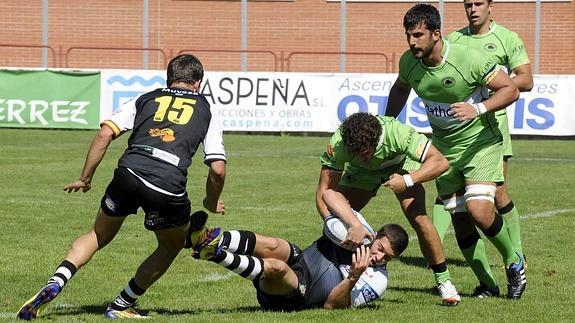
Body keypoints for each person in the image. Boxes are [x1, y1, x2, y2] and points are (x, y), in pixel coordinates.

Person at [17, 54, 227, 320]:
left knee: (97, 235)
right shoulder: (206, 107)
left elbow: (105, 133)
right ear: (198, 83)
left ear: (168, 78)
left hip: (128, 171)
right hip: (166, 182)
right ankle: (121, 304)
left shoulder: (146, 97)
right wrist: (210, 201)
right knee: (170, 245)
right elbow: (217, 169)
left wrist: (85, 178)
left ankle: (55, 282)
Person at [384, 4, 526, 299]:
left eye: (418, 35)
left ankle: (514, 262)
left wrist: (477, 108)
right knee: (460, 218)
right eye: (408, 36)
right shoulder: (409, 62)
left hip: (480, 144)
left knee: (479, 210)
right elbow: (400, 89)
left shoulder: (468, 58)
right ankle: (487, 283)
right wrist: (387, 121)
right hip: (444, 147)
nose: (412, 42)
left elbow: (510, 89)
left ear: (436, 34)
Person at [429, 0, 533, 298]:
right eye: (467, 4)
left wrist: (491, 86)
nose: (472, 9)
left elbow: (525, 80)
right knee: (457, 205)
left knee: (495, 196)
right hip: (457, 132)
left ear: (491, 6)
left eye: (478, 3)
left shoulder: (507, 38)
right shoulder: (455, 40)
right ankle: (489, 279)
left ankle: (516, 257)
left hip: (492, 127)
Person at [315, 112, 461, 306]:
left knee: (417, 215)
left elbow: (440, 162)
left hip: (401, 166)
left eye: (365, 153)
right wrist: (335, 225)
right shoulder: (340, 143)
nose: (360, 156)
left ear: (376, 141)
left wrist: (408, 180)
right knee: (336, 214)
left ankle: (444, 282)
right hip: (362, 173)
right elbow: (324, 193)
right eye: (355, 153)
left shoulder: (397, 133)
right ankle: (325, 270)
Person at [189, 189, 409, 310]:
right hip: (302, 260)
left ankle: (216, 254)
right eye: (379, 248)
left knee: (276, 267)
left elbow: (332, 306)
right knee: (275, 244)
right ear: (377, 237)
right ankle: (200, 238)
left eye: (386, 258)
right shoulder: (362, 230)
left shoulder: (378, 281)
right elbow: (329, 194)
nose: (378, 257)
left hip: (298, 293)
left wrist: (353, 277)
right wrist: (354, 223)